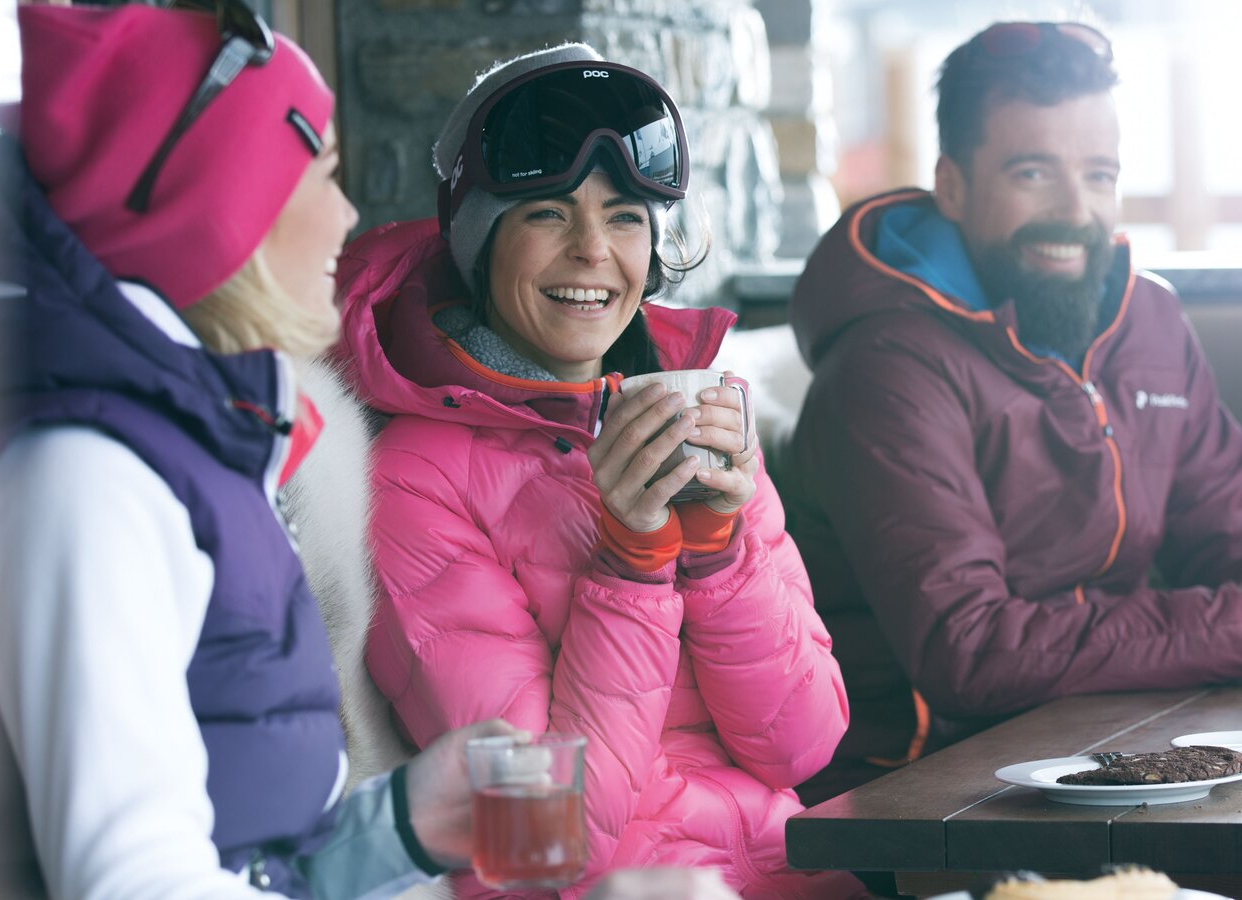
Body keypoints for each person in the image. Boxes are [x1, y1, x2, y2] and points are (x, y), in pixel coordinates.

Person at [0, 4, 514, 897]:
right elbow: (137, 885)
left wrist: (402, 824)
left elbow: (249, 859)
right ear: (227, 213)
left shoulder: (212, 446)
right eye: (321, 173)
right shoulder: (87, 486)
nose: (350, 213)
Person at [784, 21, 1242, 805]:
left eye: (1100, 174)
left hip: (1116, 746)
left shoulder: (1150, 319)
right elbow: (966, 653)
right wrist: (1241, 624)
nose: (1077, 210)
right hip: (926, 790)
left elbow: (1231, 538)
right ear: (954, 186)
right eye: (1034, 172)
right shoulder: (887, 369)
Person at [333, 43, 861, 898]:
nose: (592, 250)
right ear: (478, 242)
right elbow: (546, 833)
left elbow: (802, 746)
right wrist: (631, 566)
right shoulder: (411, 480)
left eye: (623, 216)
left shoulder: (696, 418)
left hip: (786, 875)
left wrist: (723, 554)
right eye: (547, 212)